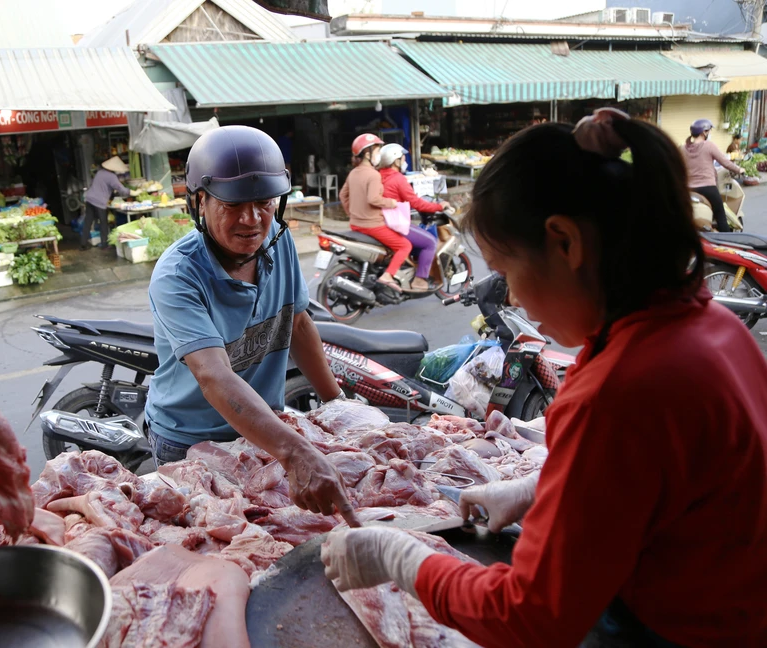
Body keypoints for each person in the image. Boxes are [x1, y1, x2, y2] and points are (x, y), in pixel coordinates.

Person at [321, 109, 767, 647]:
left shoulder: (620, 391)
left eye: (506, 272)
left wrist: (400, 557)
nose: (510, 297)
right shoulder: (714, 326)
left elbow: (530, 616)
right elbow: (671, 479)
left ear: (565, 243)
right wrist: (541, 489)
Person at [145, 125, 360, 527]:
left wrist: (339, 405)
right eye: (233, 205)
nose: (251, 219)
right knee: (216, 543)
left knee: (279, 535)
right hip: (190, 440)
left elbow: (297, 324)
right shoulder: (177, 275)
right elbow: (213, 376)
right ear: (200, 201)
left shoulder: (277, 240)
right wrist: (296, 451)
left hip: (266, 430)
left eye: (263, 203)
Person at [338, 133, 408, 292]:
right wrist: (391, 203)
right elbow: (373, 199)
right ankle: (388, 276)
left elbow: (343, 195)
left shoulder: (353, 173)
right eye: (377, 151)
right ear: (368, 154)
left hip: (355, 225)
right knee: (405, 245)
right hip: (373, 226)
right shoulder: (374, 175)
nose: (379, 155)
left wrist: (352, 213)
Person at [376, 143, 449, 292]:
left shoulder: (377, 176)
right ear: (395, 161)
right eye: (403, 158)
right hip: (394, 223)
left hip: (379, 222)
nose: (405, 161)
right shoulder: (398, 179)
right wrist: (438, 206)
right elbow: (416, 203)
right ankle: (420, 280)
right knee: (430, 242)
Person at [681, 118, 742, 232]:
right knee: (721, 217)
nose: (709, 133)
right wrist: (739, 170)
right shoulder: (709, 146)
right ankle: (727, 240)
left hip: (688, 190)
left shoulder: (683, 148)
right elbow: (725, 162)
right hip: (708, 188)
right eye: (708, 131)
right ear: (704, 132)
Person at [81, 156, 133, 250]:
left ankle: (83, 244)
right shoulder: (112, 177)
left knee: (88, 221)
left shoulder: (100, 172)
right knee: (103, 223)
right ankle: (104, 244)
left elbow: (97, 185)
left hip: (90, 199)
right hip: (100, 202)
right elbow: (121, 189)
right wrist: (132, 192)